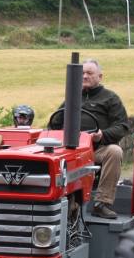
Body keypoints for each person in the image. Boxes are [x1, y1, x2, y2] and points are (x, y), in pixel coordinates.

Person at [49, 58, 129, 219]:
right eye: (82, 73)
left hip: (96, 150)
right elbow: (54, 124)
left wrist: (102, 135)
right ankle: (54, 202)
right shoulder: (71, 98)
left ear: (100, 76)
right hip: (70, 150)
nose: (85, 76)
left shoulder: (110, 98)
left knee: (114, 151)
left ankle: (102, 203)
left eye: (90, 73)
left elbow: (122, 126)